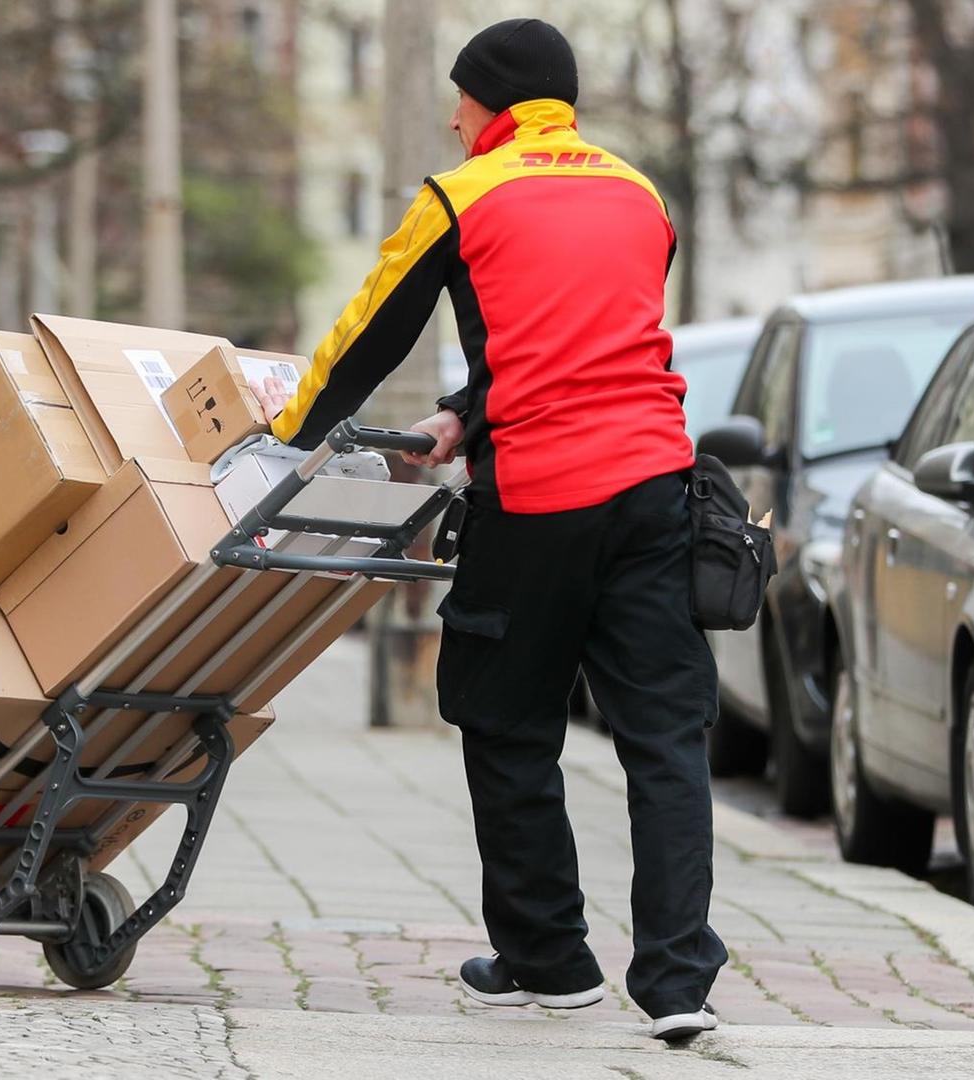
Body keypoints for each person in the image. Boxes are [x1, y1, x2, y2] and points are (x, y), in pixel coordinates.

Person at [266, 17, 727, 1041]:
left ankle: (549, 958)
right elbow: (585, 334)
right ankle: (679, 982)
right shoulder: (639, 194)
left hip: (542, 498)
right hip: (658, 490)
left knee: (508, 721)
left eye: (461, 99)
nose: (451, 116)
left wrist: (283, 433)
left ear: (496, 105)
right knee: (665, 736)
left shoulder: (459, 195)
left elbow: (369, 331)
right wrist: (467, 412)